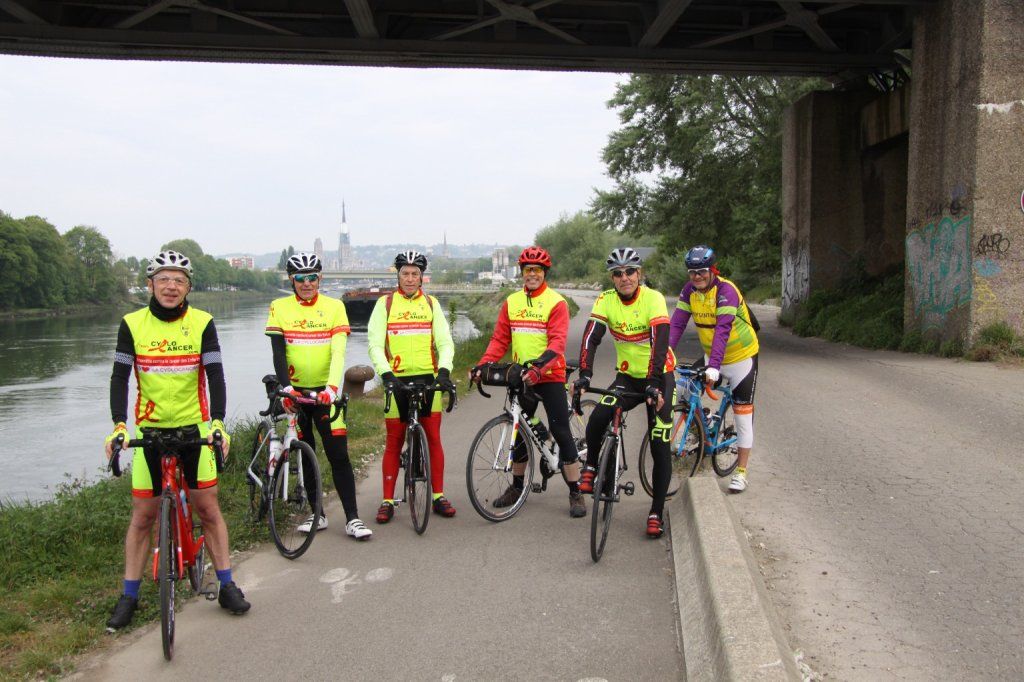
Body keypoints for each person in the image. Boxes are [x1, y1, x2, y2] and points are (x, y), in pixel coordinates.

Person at [104, 250, 250, 631]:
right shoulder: (132, 324)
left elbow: (215, 375)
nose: (171, 286)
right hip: (149, 432)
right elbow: (120, 379)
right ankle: (130, 595)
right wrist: (120, 426)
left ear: (188, 288)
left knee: (208, 509)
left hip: (194, 431)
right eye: (163, 279)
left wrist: (217, 423)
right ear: (150, 284)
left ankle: (226, 583)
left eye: (179, 281)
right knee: (143, 518)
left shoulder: (202, 322)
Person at [470, 246, 586, 518]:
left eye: (537, 270)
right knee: (517, 427)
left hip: (550, 374)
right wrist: (483, 364)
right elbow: (500, 339)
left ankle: (575, 491)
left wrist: (539, 367)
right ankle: (517, 486)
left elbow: (557, 342)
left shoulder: (556, 302)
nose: (532, 274)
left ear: (544, 273)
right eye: (527, 270)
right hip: (522, 376)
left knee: (560, 429)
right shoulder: (512, 302)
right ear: (522, 272)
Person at [265, 252, 371, 539]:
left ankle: (353, 518)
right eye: (301, 278)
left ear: (320, 278)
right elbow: (279, 352)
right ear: (292, 280)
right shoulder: (279, 307)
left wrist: (331, 389)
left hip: (325, 395)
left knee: (339, 455)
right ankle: (317, 514)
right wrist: (286, 388)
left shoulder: (335, 307)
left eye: (312, 277)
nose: (307, 283)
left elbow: (338, 351)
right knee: (304, 452)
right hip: (296, 394)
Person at [573, 247, 676, 538]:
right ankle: (592, 465)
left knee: (659, 444)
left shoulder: (653, 299)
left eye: (630, 271)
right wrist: (585, 375)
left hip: (659, 376)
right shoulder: (606, 300)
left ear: (639, 273)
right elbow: (591, 337)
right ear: (612, 278)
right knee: (599, 417)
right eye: (617, 273)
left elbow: (659, 341)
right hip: (628, 377)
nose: (624, 277)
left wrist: (655, 382)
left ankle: (656, 511)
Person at [367, 250, 457, 523]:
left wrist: (444, 371)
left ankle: (438, 495)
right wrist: (386, 375)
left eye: (414, 274)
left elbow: (444, 341)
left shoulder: (431, 304)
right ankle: (386, 500)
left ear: (421, 277)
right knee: (394, 441)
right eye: (405, 273)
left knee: (433, 437)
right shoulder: (385, 304)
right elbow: (374, 344)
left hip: (428, 380)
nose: (409, 278)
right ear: (398, 275)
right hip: (397, 381)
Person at [669, 245, 759, 493]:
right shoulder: (689, 291)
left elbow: (723, 330)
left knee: (742, 414)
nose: (696, 277)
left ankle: (741, 472)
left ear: (713, 271)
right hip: (713, 357)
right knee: (685, 386)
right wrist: (665, 354)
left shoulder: (726, 291)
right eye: (692, 272)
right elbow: (676, 324)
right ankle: (704, 419)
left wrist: (714, 367)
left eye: (702, 272)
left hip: (741, 358)